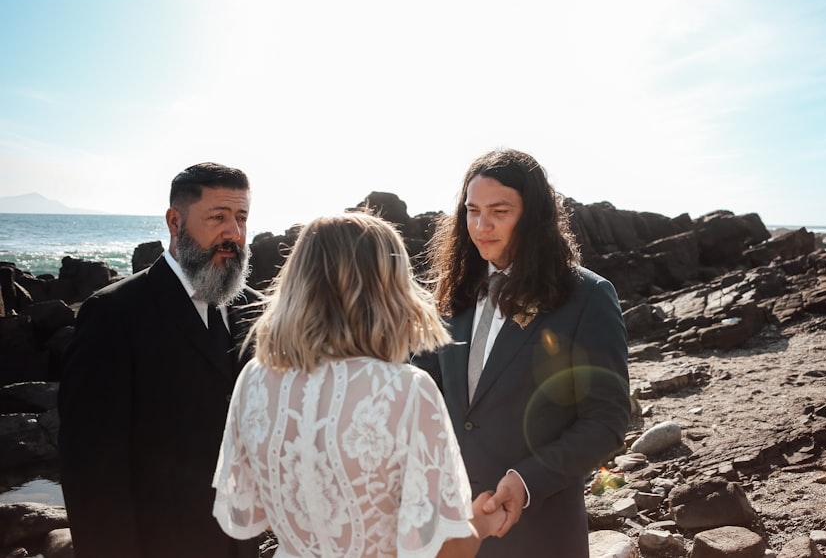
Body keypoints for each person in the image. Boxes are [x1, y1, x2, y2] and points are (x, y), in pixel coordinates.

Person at [211, 211, 505, 558]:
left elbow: (257, 510)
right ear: (388, 288)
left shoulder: (255, 379)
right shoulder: (407, 391)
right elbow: (447, 551)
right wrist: (485, 523)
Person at [413, 148, 632, 557]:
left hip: (540, 531)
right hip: (452, 527)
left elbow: (607, 419)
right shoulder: (450, 292)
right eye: (472, 210)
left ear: (532, 216)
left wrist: (528, 480)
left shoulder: (587, 296)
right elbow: (421, 391)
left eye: (500, 211)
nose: (482, 225)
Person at [58, 162, 264, 558]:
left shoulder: (254, 310)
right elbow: (90, 467)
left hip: (241, 545)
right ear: (175, 221)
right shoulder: (114, 313)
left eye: (241, 218)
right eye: (218, 217)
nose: (233, 234)